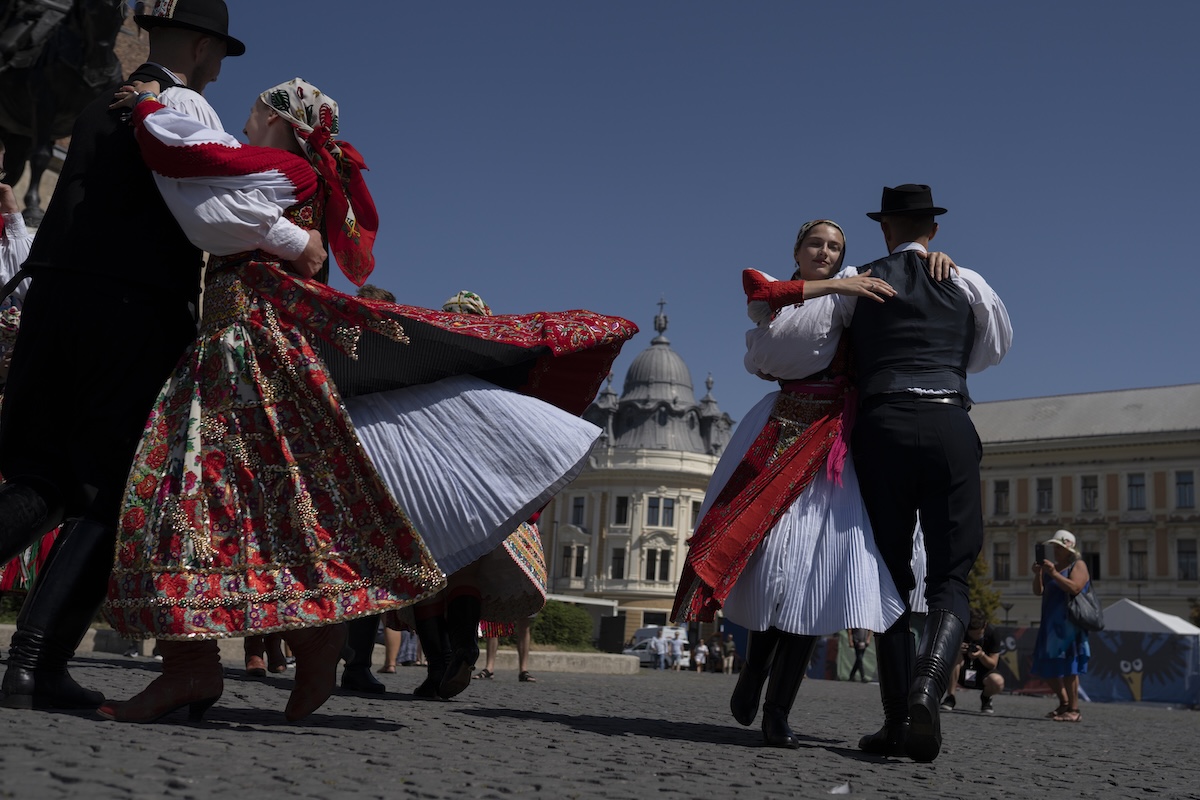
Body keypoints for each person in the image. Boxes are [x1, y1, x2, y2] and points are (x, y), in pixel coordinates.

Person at [98, 81, 632, 722]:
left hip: (244, 352)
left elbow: (200, 182)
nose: (248, 114)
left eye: (259, 107)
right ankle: (269, 647)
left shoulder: (287, 168)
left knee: (198, 495)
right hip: (240, 349)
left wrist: (149, 110)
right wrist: (289, 241)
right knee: (256, 502)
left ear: (275, 116)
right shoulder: (294, 177)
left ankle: (220, 659)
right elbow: (213, 190)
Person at [0, 0, 326, 712]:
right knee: (110, 493)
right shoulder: (180, 107)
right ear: (206, 47)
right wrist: (295, 241)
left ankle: (35, 668)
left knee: (40, 479)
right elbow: (208, 211)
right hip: (128, 310)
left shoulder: (96, 105)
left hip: (55, 303)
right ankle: (34, 665)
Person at [674, 219, 936, 748]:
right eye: (816, 243)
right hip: (779, 433)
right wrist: (839, 285)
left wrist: (933, 259)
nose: (825, 251)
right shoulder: (782, 290)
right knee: (768, 567)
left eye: (835, 247)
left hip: (835, 444)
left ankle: (777, 711)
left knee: (812, 577)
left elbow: (900, 285)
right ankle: (753, 672)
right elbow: (767, 319)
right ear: (796, 249)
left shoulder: (849, 296)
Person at [833, 184, 1010, 761]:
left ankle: (893, 721)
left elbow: (816, 346)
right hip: (947, 421)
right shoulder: (965, 280)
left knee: (888, 576)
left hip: (882, 423)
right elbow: (991, 352)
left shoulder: (859, 277)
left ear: (885, 229)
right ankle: (929, 689)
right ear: (932, 231)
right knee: (950, 576)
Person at [1032, 530, 1090, 723]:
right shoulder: (1053, 568)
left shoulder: (1078, 565)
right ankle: (1064, 703)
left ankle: (1074, 709)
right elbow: (1038, 591)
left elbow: (1075, 587)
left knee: (1069, 668)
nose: (1055, 550)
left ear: (1069, 549)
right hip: (1050, 624)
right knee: (1046, 667)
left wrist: (1054, 573)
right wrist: (1039, 573)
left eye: (1059, 547)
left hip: (1069, 626)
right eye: (1054, 547)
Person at [939, 609, 1004, 714]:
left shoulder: (993, 633)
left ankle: (986, 698)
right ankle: (950, 696)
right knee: (956, 657)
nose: (975, 637)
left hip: (984, 672)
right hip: (961, 670)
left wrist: (981, 655)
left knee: (998, 682)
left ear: (985, 626)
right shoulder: (959, 630)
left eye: (978, 633)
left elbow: (993, 664)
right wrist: (957, 649)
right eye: (972, 634)